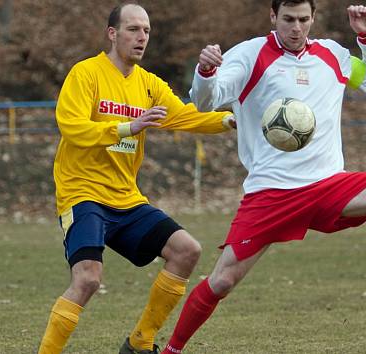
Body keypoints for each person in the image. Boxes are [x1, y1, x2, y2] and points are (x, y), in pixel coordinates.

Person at [162, 1, 366, 352]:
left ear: (313, 19)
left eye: (303, 20)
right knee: (222, 280)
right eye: (288, 20)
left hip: (329, 185)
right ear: (273, 17)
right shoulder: (249, 55)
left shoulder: (333, 55)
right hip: (272, 193)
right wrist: (205, 72)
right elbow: (206, 102)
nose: (296, 28)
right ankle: (172, 349)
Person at [36, 2, 235, 354]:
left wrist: (229, 121)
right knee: (87, 278)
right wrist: (130, 126)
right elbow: (72, 127)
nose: (141, 37)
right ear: (112, 34)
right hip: (82, 194)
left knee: (186, 250)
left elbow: (184, 116)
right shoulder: (86, 74)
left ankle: (140, 342)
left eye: (146, 30)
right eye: (133, 29)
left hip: (126, 199)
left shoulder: (149, 84)